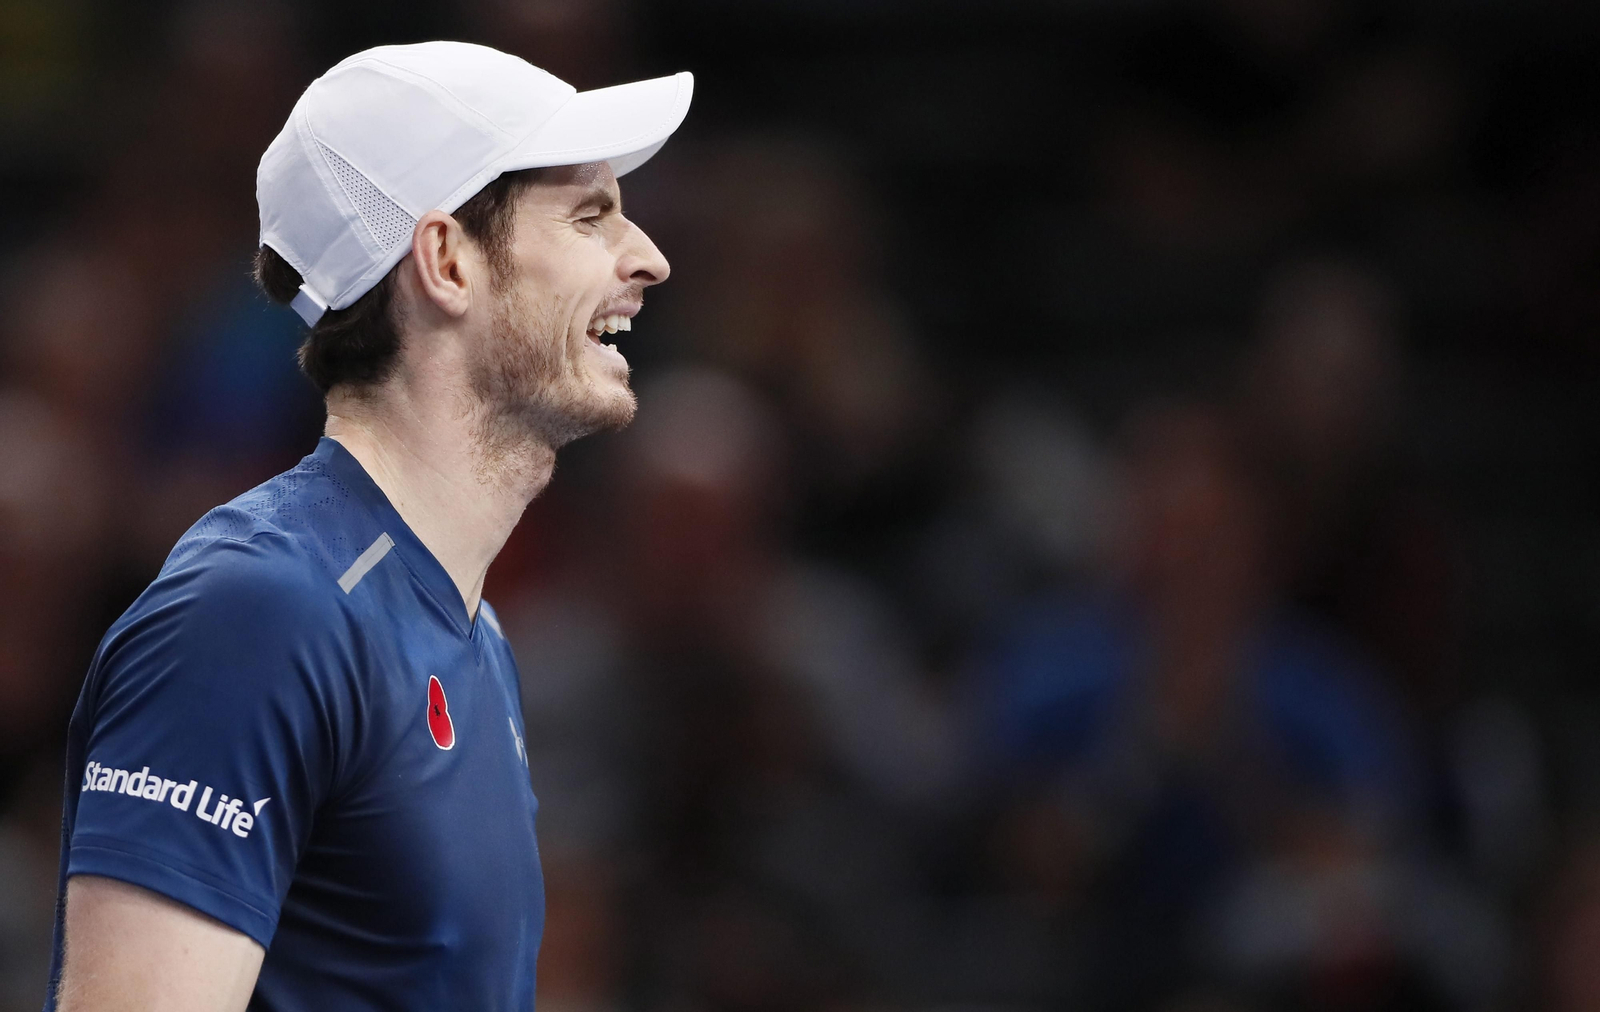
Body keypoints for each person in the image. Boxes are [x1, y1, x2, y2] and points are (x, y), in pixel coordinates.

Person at [43, 41, 692, 1012]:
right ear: (444, 261)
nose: (647, 257)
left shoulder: (470, 631)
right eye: (590, 214)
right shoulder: (257, 613)